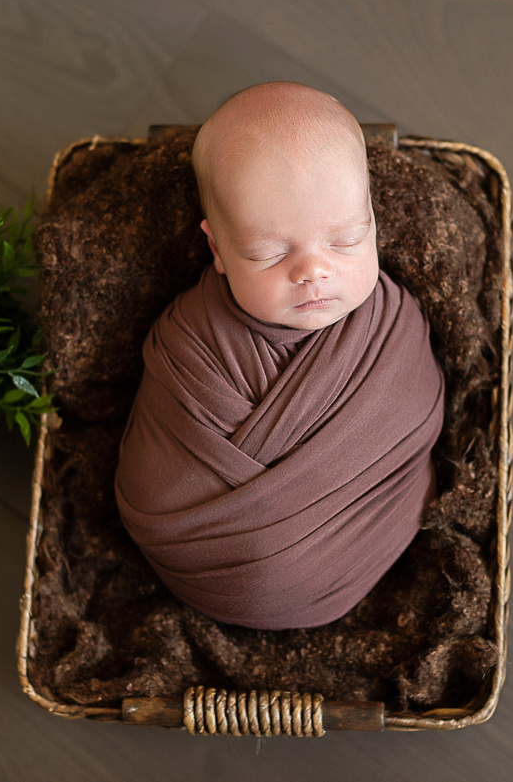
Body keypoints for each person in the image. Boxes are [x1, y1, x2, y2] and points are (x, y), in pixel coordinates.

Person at [114, 82, 444, 629]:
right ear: (217, 250)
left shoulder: (393, 322)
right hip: (210, 568)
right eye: (268, 252)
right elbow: (160, 472)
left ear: (374, 221)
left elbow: (415, 415)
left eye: (345, 240)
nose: (313, 271)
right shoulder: (190, 340)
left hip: (368, 546)